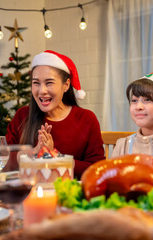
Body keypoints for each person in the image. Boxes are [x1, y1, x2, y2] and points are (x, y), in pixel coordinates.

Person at [6, 50, 104, 179]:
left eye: (49, 83)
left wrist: (55, 158)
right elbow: (3, 163)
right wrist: (34, 153)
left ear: (66, 85)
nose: (42, 91)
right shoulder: (22, 116)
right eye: (36, 83)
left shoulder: (86, 119)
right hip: (27, 195)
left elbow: (97, 169)